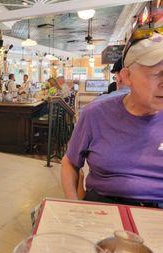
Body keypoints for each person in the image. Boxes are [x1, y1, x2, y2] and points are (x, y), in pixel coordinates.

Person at [61, 32, 163, 207]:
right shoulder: (96, 114)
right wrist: (74, 207)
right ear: (127, 76)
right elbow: (70, 162)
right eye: (157, 74)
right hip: (104, 204)